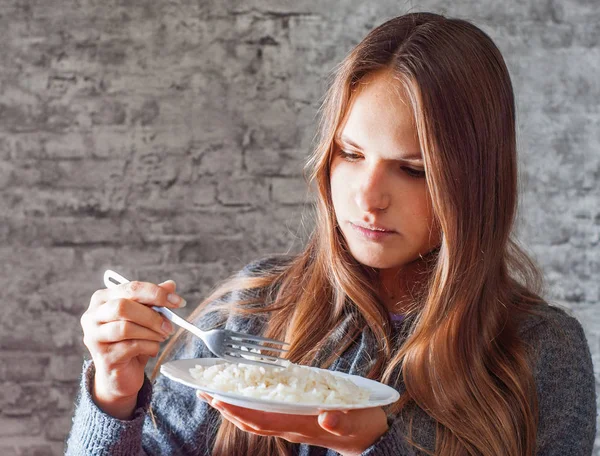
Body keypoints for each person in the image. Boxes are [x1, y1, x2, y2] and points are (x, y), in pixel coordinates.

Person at [65, 12, 597, 456]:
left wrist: (374, 445)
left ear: (476, 181)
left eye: (412, 169)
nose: (368, 197)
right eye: (351, 154)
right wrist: (114, 395)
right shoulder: (256, 308)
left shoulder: (540, 353)